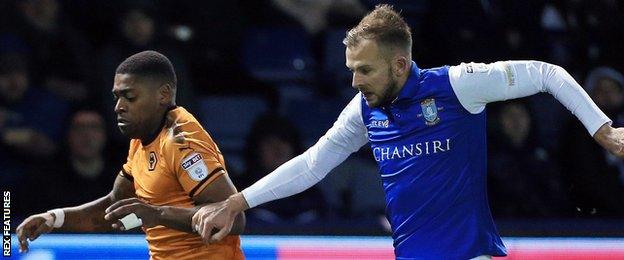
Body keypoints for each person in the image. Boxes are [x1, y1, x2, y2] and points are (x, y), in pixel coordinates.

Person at [191, 5, 624, 259]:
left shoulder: (457, 86)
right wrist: (235, 202)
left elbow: (545, 72)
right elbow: (312, 165)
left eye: (364, 70)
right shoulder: (364, 110)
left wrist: (602, 130)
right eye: (351, 70)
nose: (355, 82)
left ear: (399, 64)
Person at [16, 51, 245, 259]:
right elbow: (113, 208)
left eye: (129, 97)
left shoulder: (182, 143)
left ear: (163, 94)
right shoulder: (141, 138)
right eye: (117, 97)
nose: (118, 106)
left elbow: (234, 219)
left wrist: (157, 214)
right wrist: (53, 219)